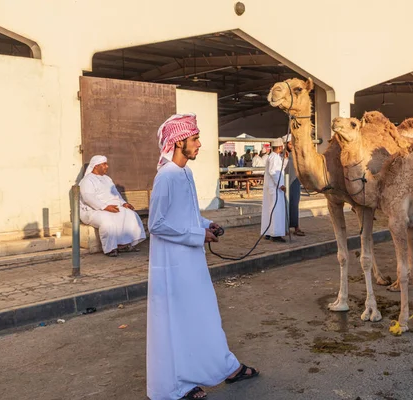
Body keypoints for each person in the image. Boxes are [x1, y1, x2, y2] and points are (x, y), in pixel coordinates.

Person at [148, 113, 259, 400]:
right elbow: (157, 224)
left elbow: (186, 215)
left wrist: (205, 224)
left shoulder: (186, 173)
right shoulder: (166, 177)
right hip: (173, 264)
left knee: (202, 315)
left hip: (191, 260)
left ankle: (223, 367)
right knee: (180, 321)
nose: (199, 144)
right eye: (194, 139)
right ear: (177, 142)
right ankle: (178, 385)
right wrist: (198, 235)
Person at [79, 155, 146, 257]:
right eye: (104, 164)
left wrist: (124, 203)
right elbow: (88, 198)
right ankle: (110, 249)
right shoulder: (87, 180)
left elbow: (116, 194)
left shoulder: (107, 179)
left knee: (130, 214)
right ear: (96, 166)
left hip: (110, 207)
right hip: (92, 211)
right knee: (107, 220)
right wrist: (105, 207)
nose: (107, 166)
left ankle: (124, 245)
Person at [260, 137, 288, 243]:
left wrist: (285, 159)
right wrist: (280, 184)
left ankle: (268, 231)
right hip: (275, 187)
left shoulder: (274, 156)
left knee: (270, 209)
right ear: (280, 147)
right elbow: (273, 172)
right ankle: (275, 234)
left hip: (272, 187)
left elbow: (280, 169)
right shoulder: (274, 157)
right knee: (276, 210)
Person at [284, 134, 305, 236]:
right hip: (285, 182)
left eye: (292, 143)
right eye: (289, 144)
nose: (291, 145)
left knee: (294, 204)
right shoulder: (282, 155)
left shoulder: (296, 154)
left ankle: (296, 226)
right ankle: (285, 227)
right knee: (285, 205)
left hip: (295, 181)